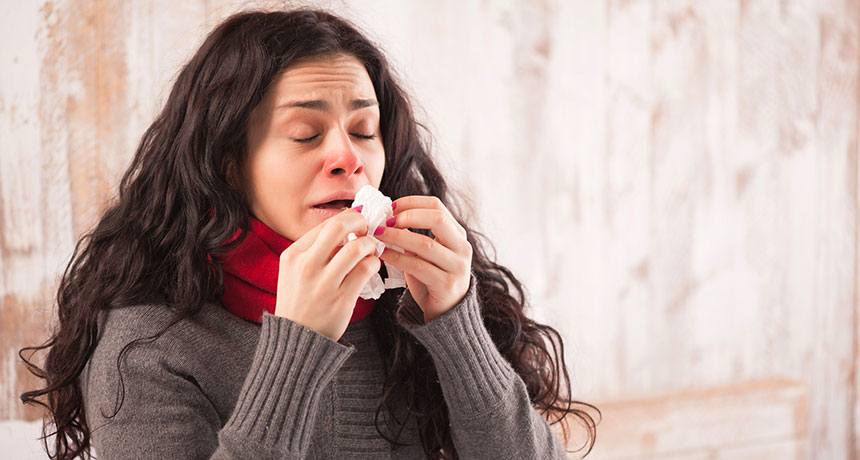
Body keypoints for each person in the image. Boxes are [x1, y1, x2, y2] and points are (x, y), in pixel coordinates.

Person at [20, 8, 599, 460]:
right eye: (304, 133)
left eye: (365, 130)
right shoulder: (148, 346)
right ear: (228, 162)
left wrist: (456, 324)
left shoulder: (411, 305)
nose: (348, 157)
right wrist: (296, 347)